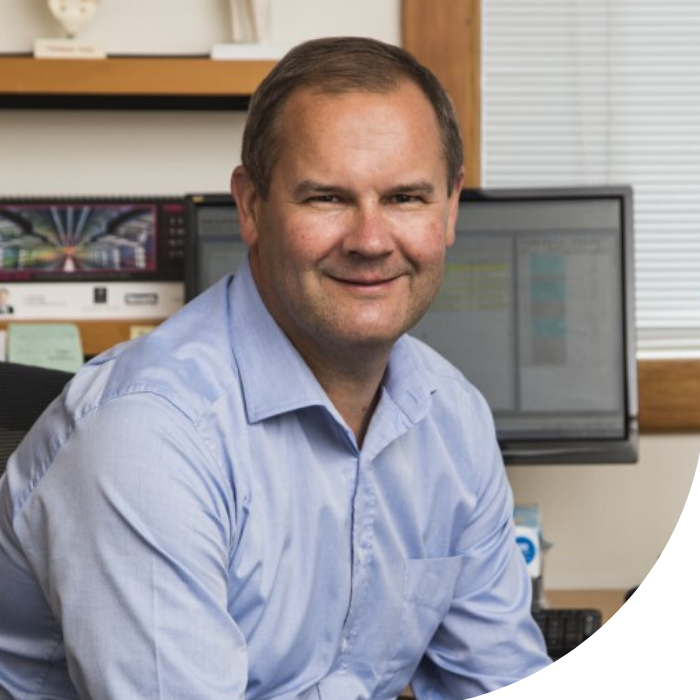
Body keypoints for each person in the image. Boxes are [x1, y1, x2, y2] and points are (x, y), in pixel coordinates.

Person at [0, 37, 550, 699]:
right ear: (251, 206)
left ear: (451, 207)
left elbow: (502, 679)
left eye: (406, 197)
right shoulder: (148, 437)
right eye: (326, 198)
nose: (371, 241)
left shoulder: (452, 416)